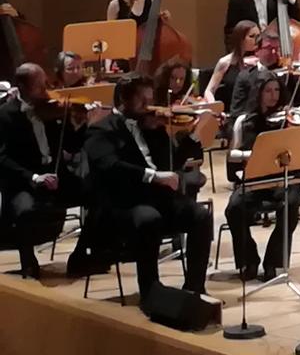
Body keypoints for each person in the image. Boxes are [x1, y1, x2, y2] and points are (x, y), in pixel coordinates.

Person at [83, 73, 212, 304]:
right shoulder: (101, 129)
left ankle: (195, 287)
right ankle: (150, 289)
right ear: (123, 98)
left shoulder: (152, 127)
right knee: (148, 219)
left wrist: (194, 133)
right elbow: (110, 166)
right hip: (123, 202)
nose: (149, 105)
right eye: (142, 99)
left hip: (157, 198)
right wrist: (153, 176)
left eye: (150, 98)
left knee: (201, 215)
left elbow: (172, 165)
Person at [223, 71, 300, 281]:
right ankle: (248, 260)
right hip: (255, 181)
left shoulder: (289, 120)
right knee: (233, 208)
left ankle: (274, 263)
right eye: (268, 91)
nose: (273, 96)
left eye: (277, 90)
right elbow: (233, 160)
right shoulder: (245, 122)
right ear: (258, 93)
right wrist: (253, 156)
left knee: (290, 204)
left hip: (284, 181)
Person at [0, 64, 82, 278]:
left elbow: (72, 146)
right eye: (39, 86)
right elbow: (2, 158)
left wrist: (81, 123)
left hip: (56, 175)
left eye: (46, 83)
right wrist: (35, 177)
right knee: (24, 209)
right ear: (23, 87)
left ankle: (82, 256)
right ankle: (28, 261)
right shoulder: (5, 115)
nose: (46, 90)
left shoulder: (52, 109)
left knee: (101, 194)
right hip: (26, 180)